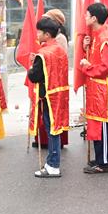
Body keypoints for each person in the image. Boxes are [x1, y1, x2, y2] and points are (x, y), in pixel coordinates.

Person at [79, 3, 108, 173]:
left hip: (102, 90)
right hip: (97, 88)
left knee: (102, 125)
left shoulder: (104, 38)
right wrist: (86, 47)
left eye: (87, 14)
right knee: (100, 125)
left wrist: (87, 67)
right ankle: (104, 157)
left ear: (94, 18)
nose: (85, 17)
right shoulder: (97, 34)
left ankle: (103, 162)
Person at [27, 16, 70, 178]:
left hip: (48, 97)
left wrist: (32, 64)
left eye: (39, 32)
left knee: (51, 130)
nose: (37, 35)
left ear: (46, 34)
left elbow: (34, 76)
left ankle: (53, 165)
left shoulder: (43, 53)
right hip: (59, 94)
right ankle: (53, 162)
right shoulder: (59, 49)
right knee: (55, 130)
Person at [38, 9, 70, 150]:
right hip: (49, 78)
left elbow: (59, 59)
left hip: (55, 81)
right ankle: (45, 141)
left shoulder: (60, 38)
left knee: (53, 115)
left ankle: (55, 147)